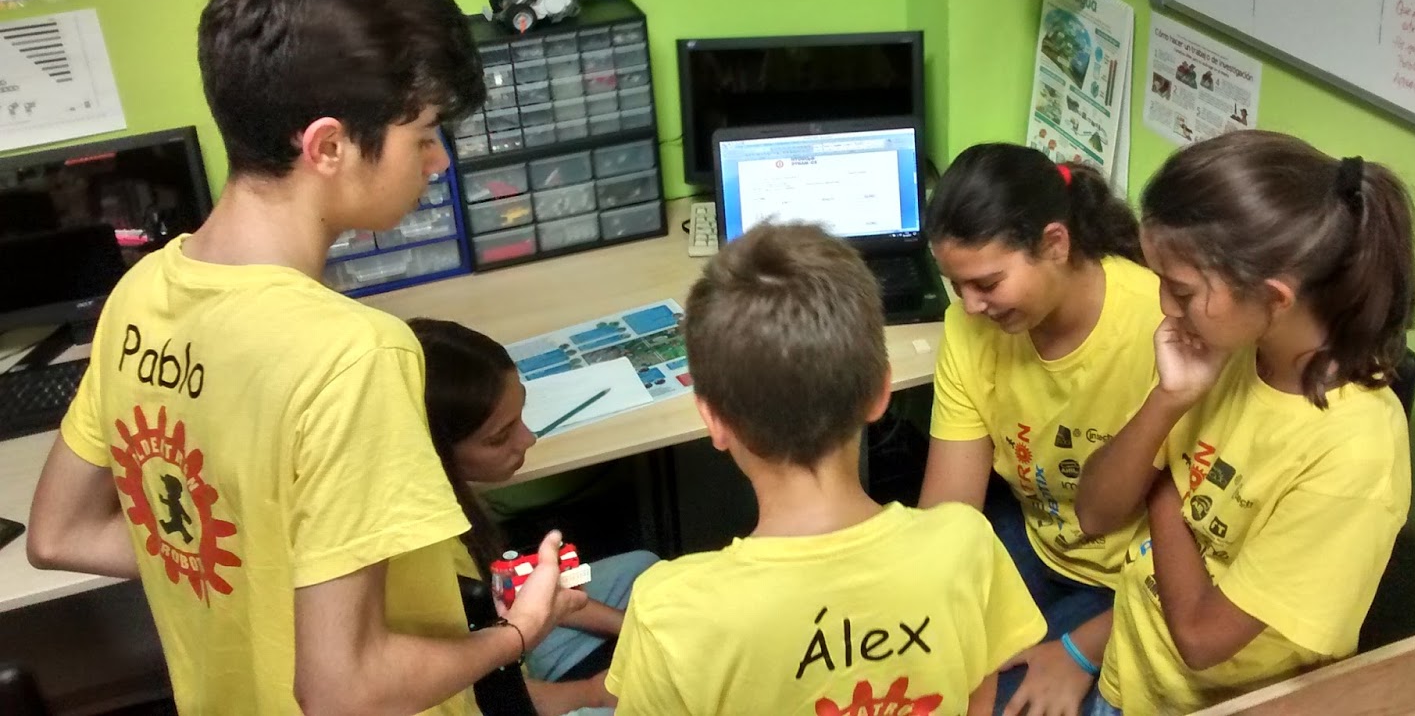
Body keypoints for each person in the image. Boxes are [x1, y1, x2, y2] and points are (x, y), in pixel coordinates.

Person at [27, 0, 585, 715]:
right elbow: (343, 693)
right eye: (424, 134)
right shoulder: (355, 356)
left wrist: (260, 573)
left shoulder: (141, 293)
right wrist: (517, 633)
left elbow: (57, 533)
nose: (439, 163)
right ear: (327, 146)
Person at [606, 223, 1046, 714]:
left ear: (714, 420)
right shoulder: (966, 545)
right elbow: (977, 700)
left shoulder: (669, 611)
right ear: (880, 391)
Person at [1074, 130, 1415, 715]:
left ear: (1275, 298)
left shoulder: (1355, 453)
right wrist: (1168, 400)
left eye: (1181, 291)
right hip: (1129, 676)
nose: (1165, 308)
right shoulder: (1225, 349)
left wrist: (1162, 489)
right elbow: (1095, 514)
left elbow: (1202, 640)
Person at [918, 144, 1162, 715]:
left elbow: (1208, 553)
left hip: (1131, 583)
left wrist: (1081, 650)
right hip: (1035, 541)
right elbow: (947, 519)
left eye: (987, 283)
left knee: (1005, 702)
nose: (970, 307)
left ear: (1055, 244)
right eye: (957, 286)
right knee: (927, 679)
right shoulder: (971, 329)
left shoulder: (1160, 327)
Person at [410, 317, 659, 716]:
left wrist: (628, 624)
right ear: (436, 450)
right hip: (491, 690)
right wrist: (591, 693)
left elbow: (508, 593)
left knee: (642, 570)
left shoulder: (447, 511)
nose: (528, 439)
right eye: (499, 436)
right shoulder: (424, 567)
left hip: (504, 641)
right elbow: (488, 695)